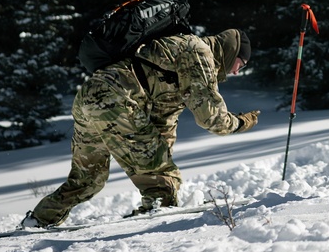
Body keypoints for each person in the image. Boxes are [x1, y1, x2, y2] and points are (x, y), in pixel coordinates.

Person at [22, 29, 260, 227]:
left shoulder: (181, 52)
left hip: (91, 96)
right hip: (116, 99)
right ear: (232, 51)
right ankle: (153, 221)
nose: (238, 70)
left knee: (88, 179)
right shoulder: (199, 52)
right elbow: (211, 117)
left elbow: (163, 122)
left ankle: (40, 219)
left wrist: (159, 158)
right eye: (242, 63)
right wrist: (241, 123)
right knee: (162, 182)